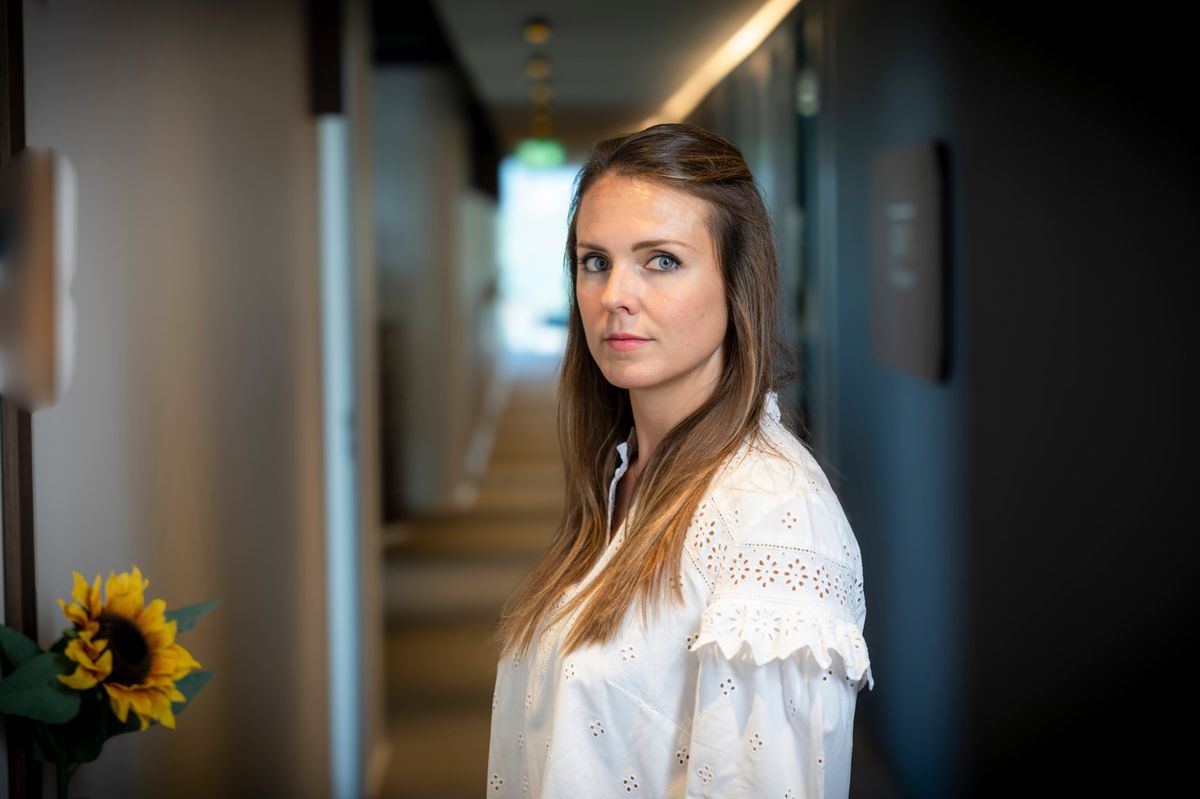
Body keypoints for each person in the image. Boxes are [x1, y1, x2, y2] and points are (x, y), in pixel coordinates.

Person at [487, 122, 874, 798]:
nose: (613, 297)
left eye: (660, 259)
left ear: (736, 280)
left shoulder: (775, 522)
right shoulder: (624, 473)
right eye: (594, 261)